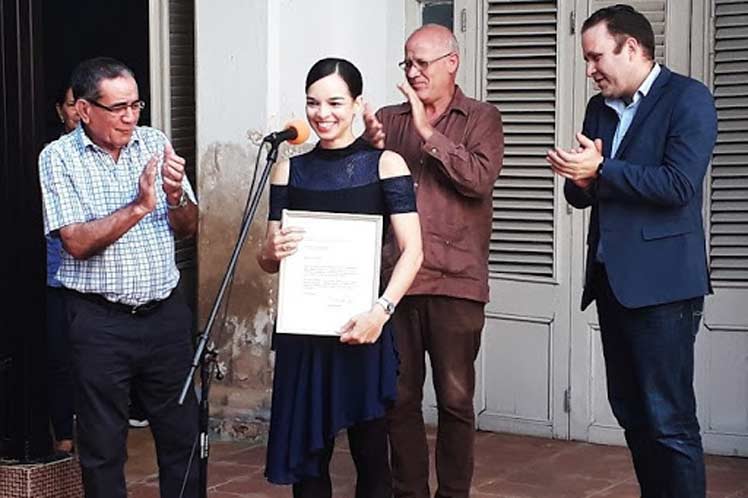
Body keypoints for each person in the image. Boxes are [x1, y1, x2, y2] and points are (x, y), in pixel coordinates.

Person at [546, 5, 717, 497]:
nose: (590, 69)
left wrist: (600, 172)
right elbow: (586, 192)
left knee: (669, 419)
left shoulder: (689, 99)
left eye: (597, 56)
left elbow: (678, 185)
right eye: (586, 59)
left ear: (633, 48)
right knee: (633, 415)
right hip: (611, 283)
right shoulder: (600, 106)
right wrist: (579, 179)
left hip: (664, 288)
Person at [257, 57, 423, 498]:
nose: (322, 113)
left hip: (362, 328)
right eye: (313, 103)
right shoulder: (288, 168)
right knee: (309, 464)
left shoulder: (386, 165)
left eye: (335, 102)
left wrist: (381, 312)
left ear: (356, 104)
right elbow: (268, 257)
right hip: (304, 333)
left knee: (371, 456)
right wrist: (268, 251)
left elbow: (414, 251)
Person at [38, 57, 200, 498]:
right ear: (84, 110)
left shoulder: (154, 142)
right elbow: (75, 241)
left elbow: (189, 225)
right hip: (99, 322)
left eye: (136, 105)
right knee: (102, 445)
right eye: (118, 108)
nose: (130, 117)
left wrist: (174, 198)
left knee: (183, 436)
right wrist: (140, 207)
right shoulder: (57, 158)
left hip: (164, 315)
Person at [363, 24, 504, 498]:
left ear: (452, 62)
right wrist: (366, 149)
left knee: (456, 400)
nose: (413, 72)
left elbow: (479, 180)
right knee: (398, 400)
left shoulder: (482, 117)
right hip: (397, 282)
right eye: (407, 63)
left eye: (422, 63)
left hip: (456, 281)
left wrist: (427, 132)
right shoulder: (386, 118)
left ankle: (453, 494)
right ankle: (409, 493)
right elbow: (365, 192)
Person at [46, 83, 79, 454]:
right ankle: (64, 437)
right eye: (71, 105)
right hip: (55, 274)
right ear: (61, 110)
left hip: (98, 281)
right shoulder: (50, 158)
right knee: (58, 359)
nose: (77, 112)